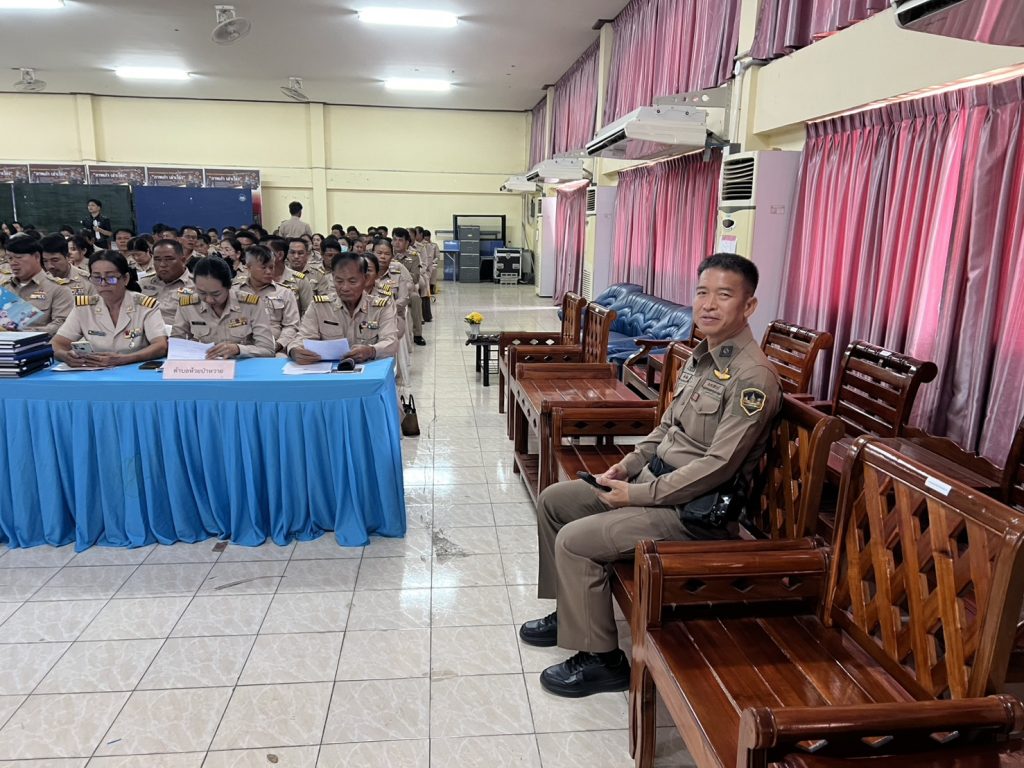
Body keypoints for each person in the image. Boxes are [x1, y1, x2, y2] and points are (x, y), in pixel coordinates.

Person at [518, 254, 783, 698]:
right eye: (702, 292)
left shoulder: (752, 377)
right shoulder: (702, 357)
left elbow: (718, 465)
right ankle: (570, 613)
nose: (708, 304)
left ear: (749, 306)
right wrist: (627, 465)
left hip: (693, 513)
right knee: (554, 501)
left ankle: (602, 660)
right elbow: (667, 428)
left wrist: (638, 495)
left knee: (576, 541)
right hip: (655, 484)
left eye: (724, 295)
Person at [52, 251, 167, 367]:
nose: (103, 284)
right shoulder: (84, 307)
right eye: (97, 278)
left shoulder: (145, 306)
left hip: (134, 369)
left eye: (111, 278)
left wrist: (125, 359)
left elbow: (160, 346)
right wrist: (65, 356)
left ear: (125, 278)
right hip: (95, 371)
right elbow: (58, 343)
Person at [288, 252, 398, 364]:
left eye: (352, 281)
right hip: (329, 369)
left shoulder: (381, 307)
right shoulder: (319, 307)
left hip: (368, 367)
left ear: (365, 279)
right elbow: (302, 338)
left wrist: (370, 351)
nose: (345, 288)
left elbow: (391, 342)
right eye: (339, 281)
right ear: (333, 278)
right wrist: (294, 351)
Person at [172, 256, 274, 359]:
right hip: (203, 365)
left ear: (229, 286)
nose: (209, 300)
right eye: (202, 293)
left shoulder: (251, 305)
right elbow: (176, 346)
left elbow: (268, 350)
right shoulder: (188, 305)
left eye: (216, 294)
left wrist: (238, 349)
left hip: (241, 364)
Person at [1, 235, 74, 336]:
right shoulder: (5, 288)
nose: (13, 263)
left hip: (40, 344)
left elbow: (62, 325)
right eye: (10, 258)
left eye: (18, 257)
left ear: (36, 257)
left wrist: (25, 333)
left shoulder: (58, 289)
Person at [234, 244, 300, 355]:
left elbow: (291, 326)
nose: (269, 272)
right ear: (249, 267)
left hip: (275, 349)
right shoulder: (235, 292)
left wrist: (278, 344)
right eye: (263, 267)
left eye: (271, 267)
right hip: (240, 349)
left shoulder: (285, 293)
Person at [139, 239, 195, 325]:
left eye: (168, 259)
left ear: (183, 261)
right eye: (157, 259)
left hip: (178, 331)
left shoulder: (196, 286)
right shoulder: (143, 283)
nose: (162, 264)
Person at [374, 239, 413, 340]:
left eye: (387, 254)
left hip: (393, 316)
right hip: (369, 316)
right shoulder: (365, 274)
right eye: (379, 253)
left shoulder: (397, 275)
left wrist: (385, 309)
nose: (383, 256)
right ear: (372, 254)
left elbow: (403, 299)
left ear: (392, 256)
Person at [392, 228, 425, 346]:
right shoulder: (387, 254)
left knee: (415, 298)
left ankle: (417, 334)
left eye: (400, 240)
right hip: (387, 289)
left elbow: (415, 277)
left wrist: (400, 269)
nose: (397, 243)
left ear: (407, 242)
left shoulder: (414, 257)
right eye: (394, 239)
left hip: (406, 289)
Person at [40, 233, 96, 298]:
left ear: (67, 257)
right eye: (45, 261)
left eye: (55, 260)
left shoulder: (87, 280)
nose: (49, 266)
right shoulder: (40, 282)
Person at [268, 238, 313, 315]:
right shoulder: (260, 278)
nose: (296, 256)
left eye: (300, 253)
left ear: (280, 255)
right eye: (292, 252)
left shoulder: (300, 279)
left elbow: (308, 312)